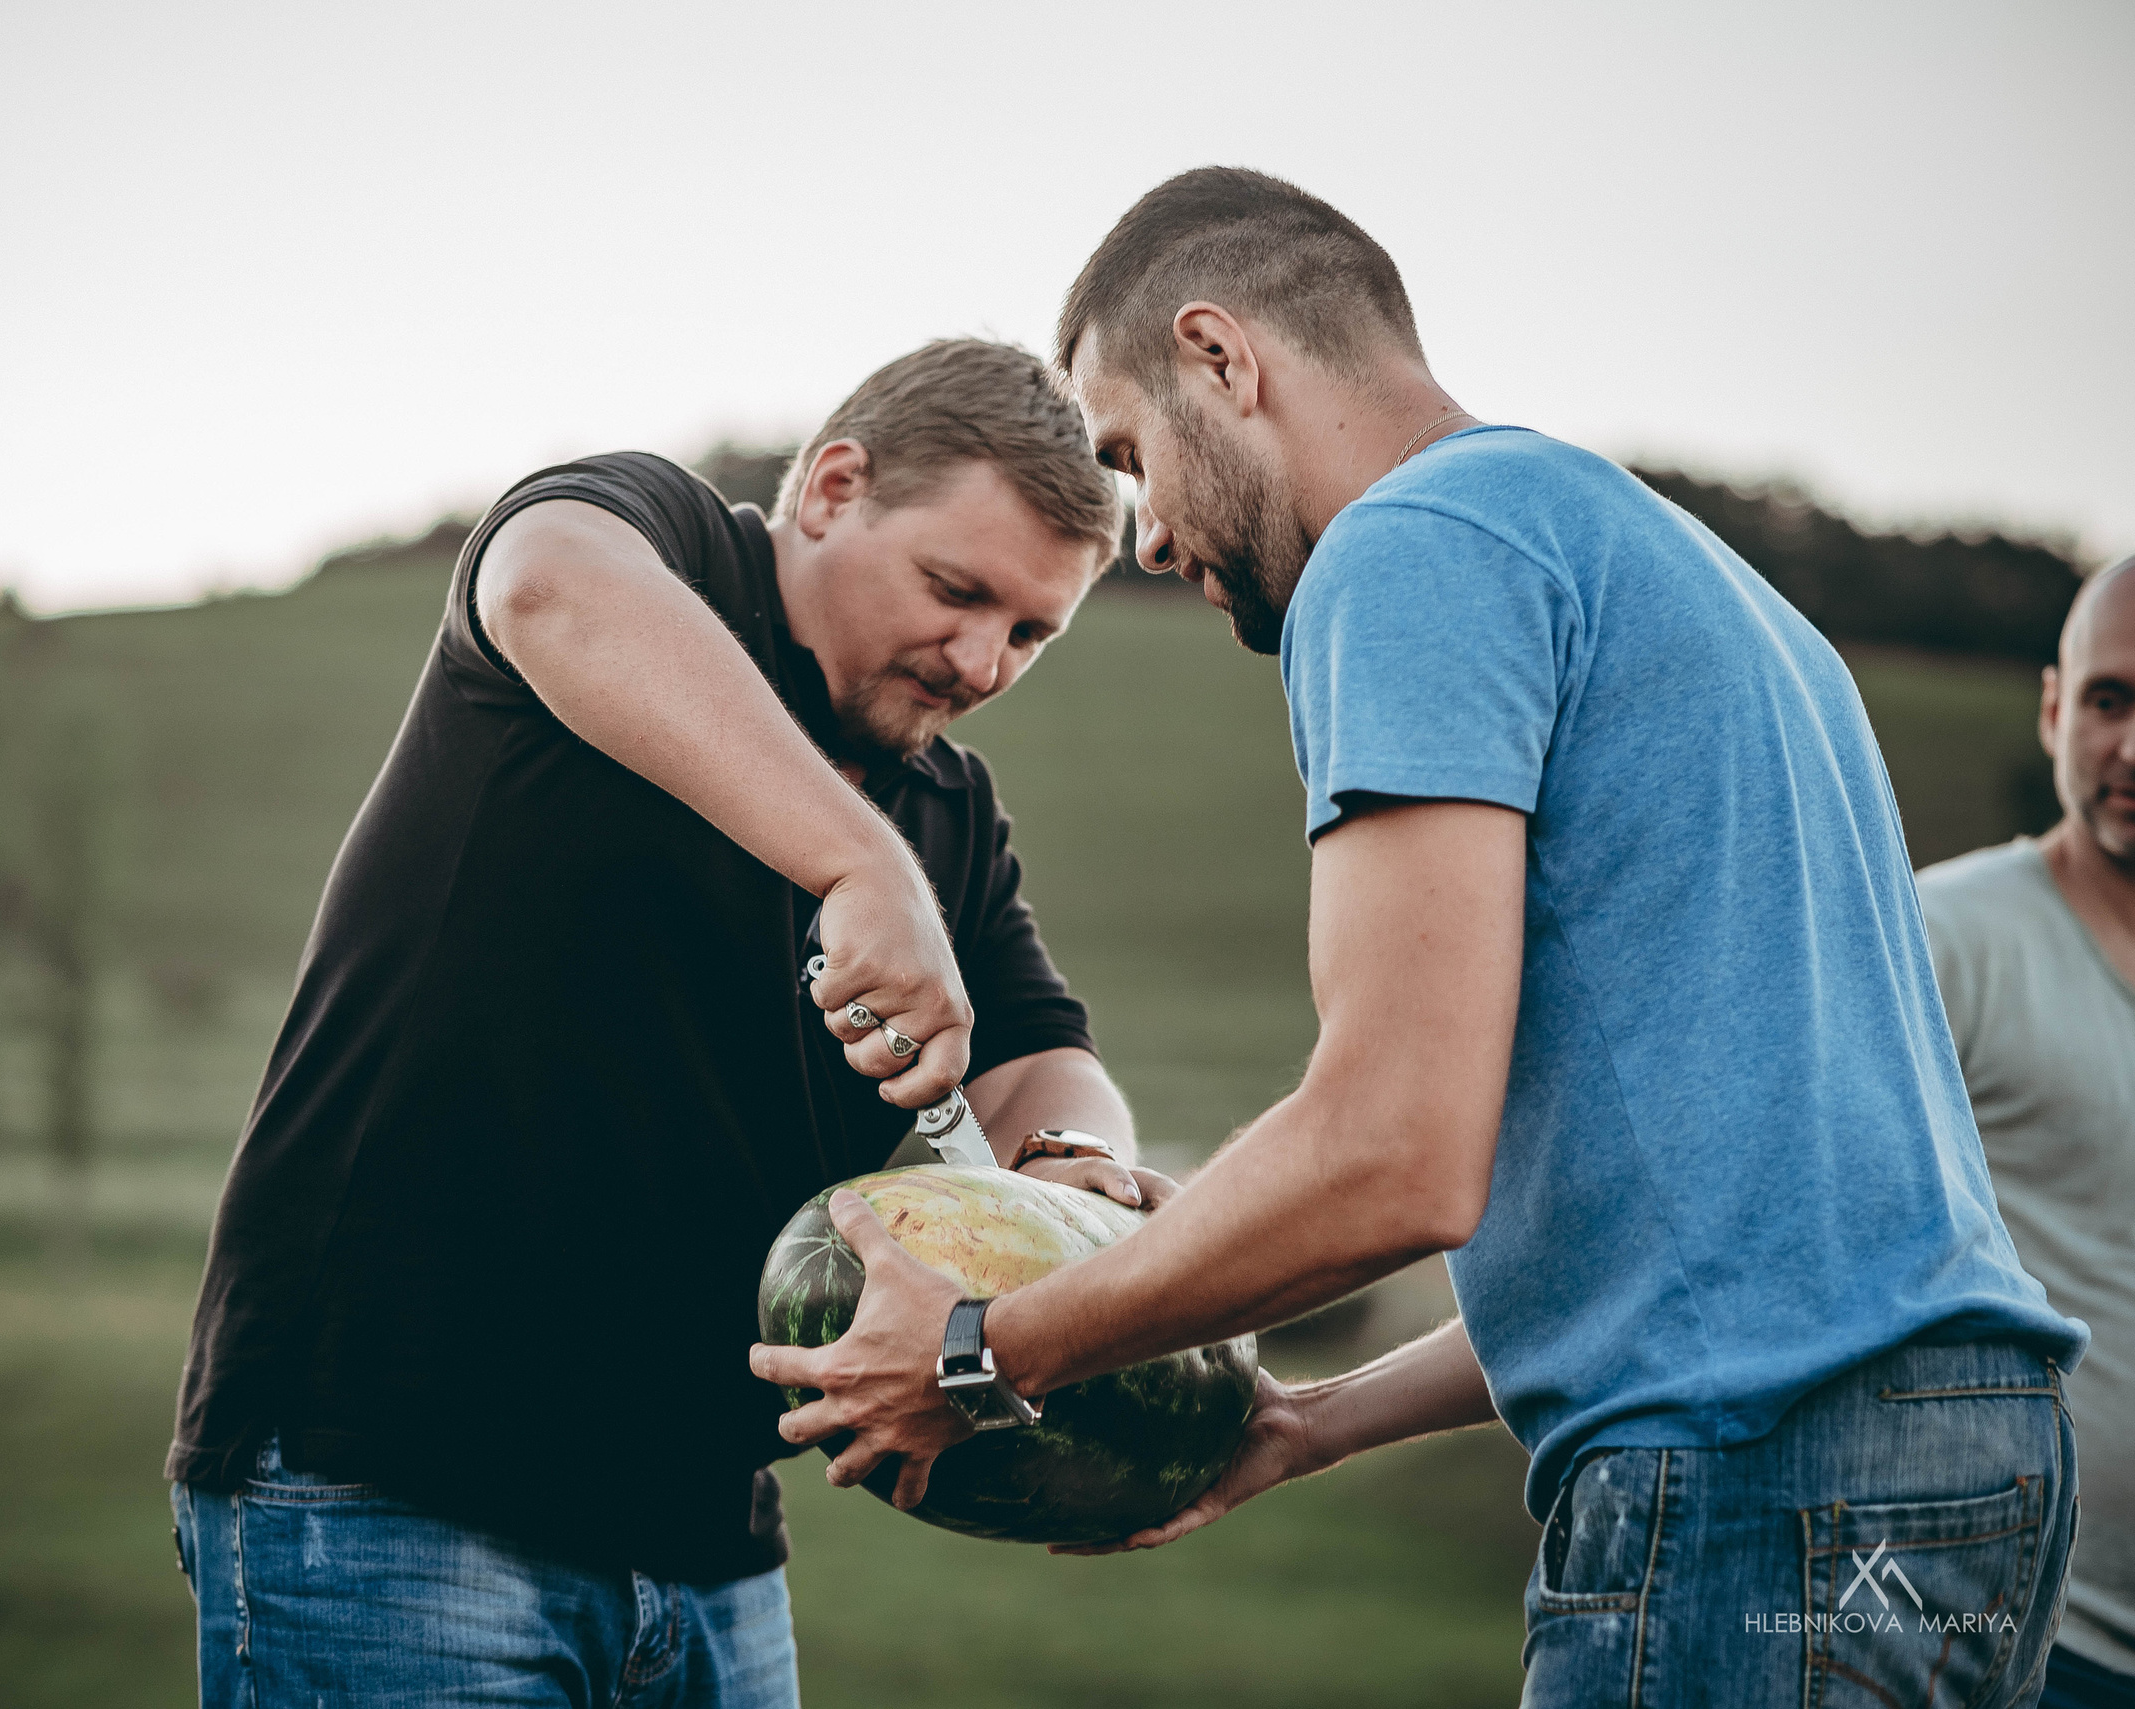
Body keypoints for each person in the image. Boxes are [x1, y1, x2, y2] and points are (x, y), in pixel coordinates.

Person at [754, 168, 2090, 1708]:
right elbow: (1699, 1240)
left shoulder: (1409, 550)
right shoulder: (1696, 586)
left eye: (1131, 456)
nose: (1152, 535)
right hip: (1956, 1469)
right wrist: (1310, 1422)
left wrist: (989, 1346)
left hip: (1761, 1485)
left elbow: (1392, 1147)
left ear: (1222, 358)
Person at [166, 339, 1170, 1708]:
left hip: (712, 1553)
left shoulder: (952, 809)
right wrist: (857, 865)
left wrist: (1067, 1187)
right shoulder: (666, 542)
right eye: (957, 590)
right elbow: (544, 581)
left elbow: (1041, 1058)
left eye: (1032, 631)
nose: (984, 660)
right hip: (386, 1493)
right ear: (830, 488)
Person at [1919, 556, 2135, 1709]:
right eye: (2110, 699)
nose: (2133, 748)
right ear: (2054, 705)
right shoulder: (1942, 942)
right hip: (2007, 1649)